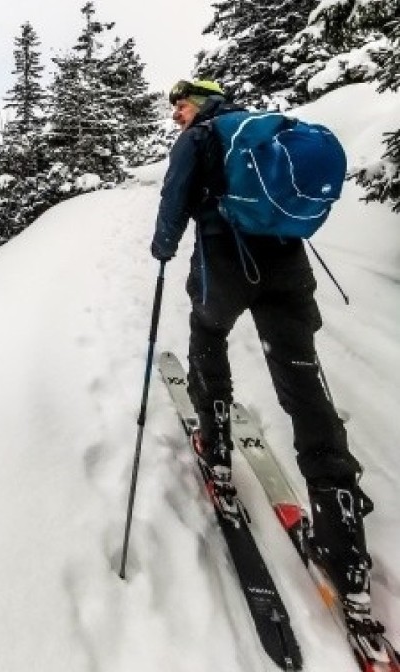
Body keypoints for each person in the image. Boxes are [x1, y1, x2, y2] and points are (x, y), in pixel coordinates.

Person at [150, 77, 373, 614]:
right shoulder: (267, 131)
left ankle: (217, 445)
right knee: (302, 380)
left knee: (208, 336)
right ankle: (345, 548)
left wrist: (162, 247)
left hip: (224, 264)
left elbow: (174, 198)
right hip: (287, 267)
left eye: (180, 106)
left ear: (199, 103)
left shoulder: (201, 136)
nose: (176, 115)